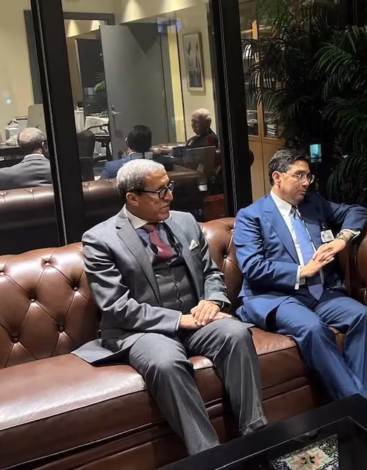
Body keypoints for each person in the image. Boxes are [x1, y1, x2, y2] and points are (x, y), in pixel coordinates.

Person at [73, 159, 267, 455]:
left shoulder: (184, 221)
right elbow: (115, 306)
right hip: (140, 331)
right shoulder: (100, 239)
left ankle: (257, 440)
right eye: (160, 191)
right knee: (166, 362)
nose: (170, 196)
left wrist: (212, 301)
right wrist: (178, 320)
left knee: (236, 333)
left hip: (196, 319)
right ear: (133, 198)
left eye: (169, 187)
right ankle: (209, 456)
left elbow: (211, 273)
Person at [233, 149, 367, 400]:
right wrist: (301, 271)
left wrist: (342, 239)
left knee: (362, 316)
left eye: (308, 176)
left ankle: (356, 402)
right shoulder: (251, 216)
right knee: (313, 328)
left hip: (321, 293)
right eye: (298, 175)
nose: (306, 182)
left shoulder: (314, 204)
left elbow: (357, 212)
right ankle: (360, 406)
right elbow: (252, 267)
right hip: (277, 297)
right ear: (277, 177)